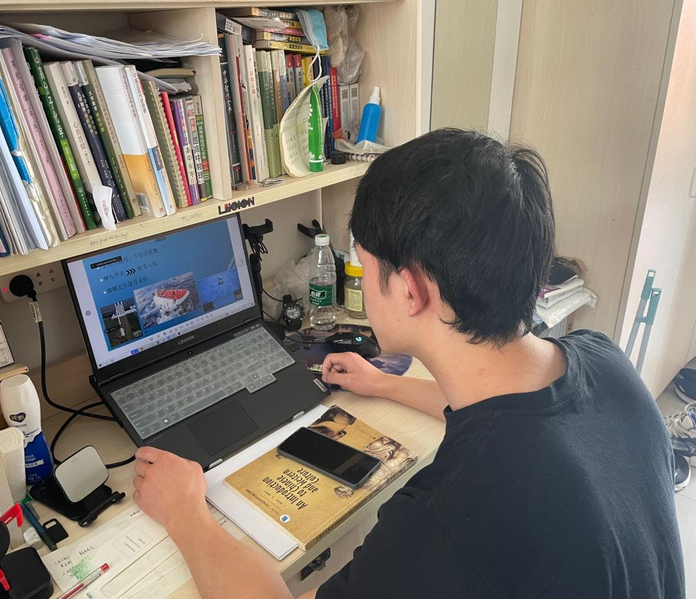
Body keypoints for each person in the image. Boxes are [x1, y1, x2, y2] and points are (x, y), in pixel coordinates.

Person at [132, 129, 685, 598]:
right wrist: (384, 385)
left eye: (363, 265)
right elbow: (507, 417)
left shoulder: (447, 516)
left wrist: (186, 514)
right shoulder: (603, 360)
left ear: (410, 290)